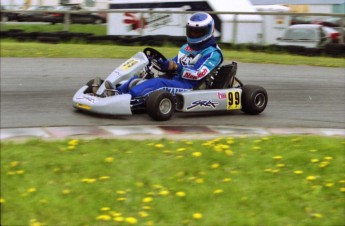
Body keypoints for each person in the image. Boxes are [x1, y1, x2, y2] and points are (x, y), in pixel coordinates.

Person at [95, 12, 223, 97]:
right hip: (175, 80)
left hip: (190, 87)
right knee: (135, 80)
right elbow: (174, 62)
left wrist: (176, 68)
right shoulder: (186, 47)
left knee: (157, 84)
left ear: (209, 31)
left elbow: (198, 74)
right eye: (192, 31)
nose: (193, 35)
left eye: (198, 32)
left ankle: (122, 98)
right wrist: (161, 63)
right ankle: (112, 92)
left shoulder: (213, 53)